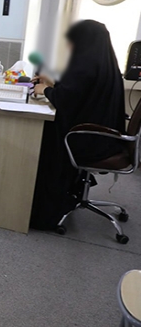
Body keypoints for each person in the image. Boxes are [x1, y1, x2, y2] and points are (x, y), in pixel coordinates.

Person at [30, 20, 126, 229]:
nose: (69, 46)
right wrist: (52, 84)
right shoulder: (106, 64)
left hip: (86, 140)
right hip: (106, 139)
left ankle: (42, 208)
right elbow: (80, 94)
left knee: (43, 135)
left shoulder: (85, 66)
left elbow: (66, 100)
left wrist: (44, 90)